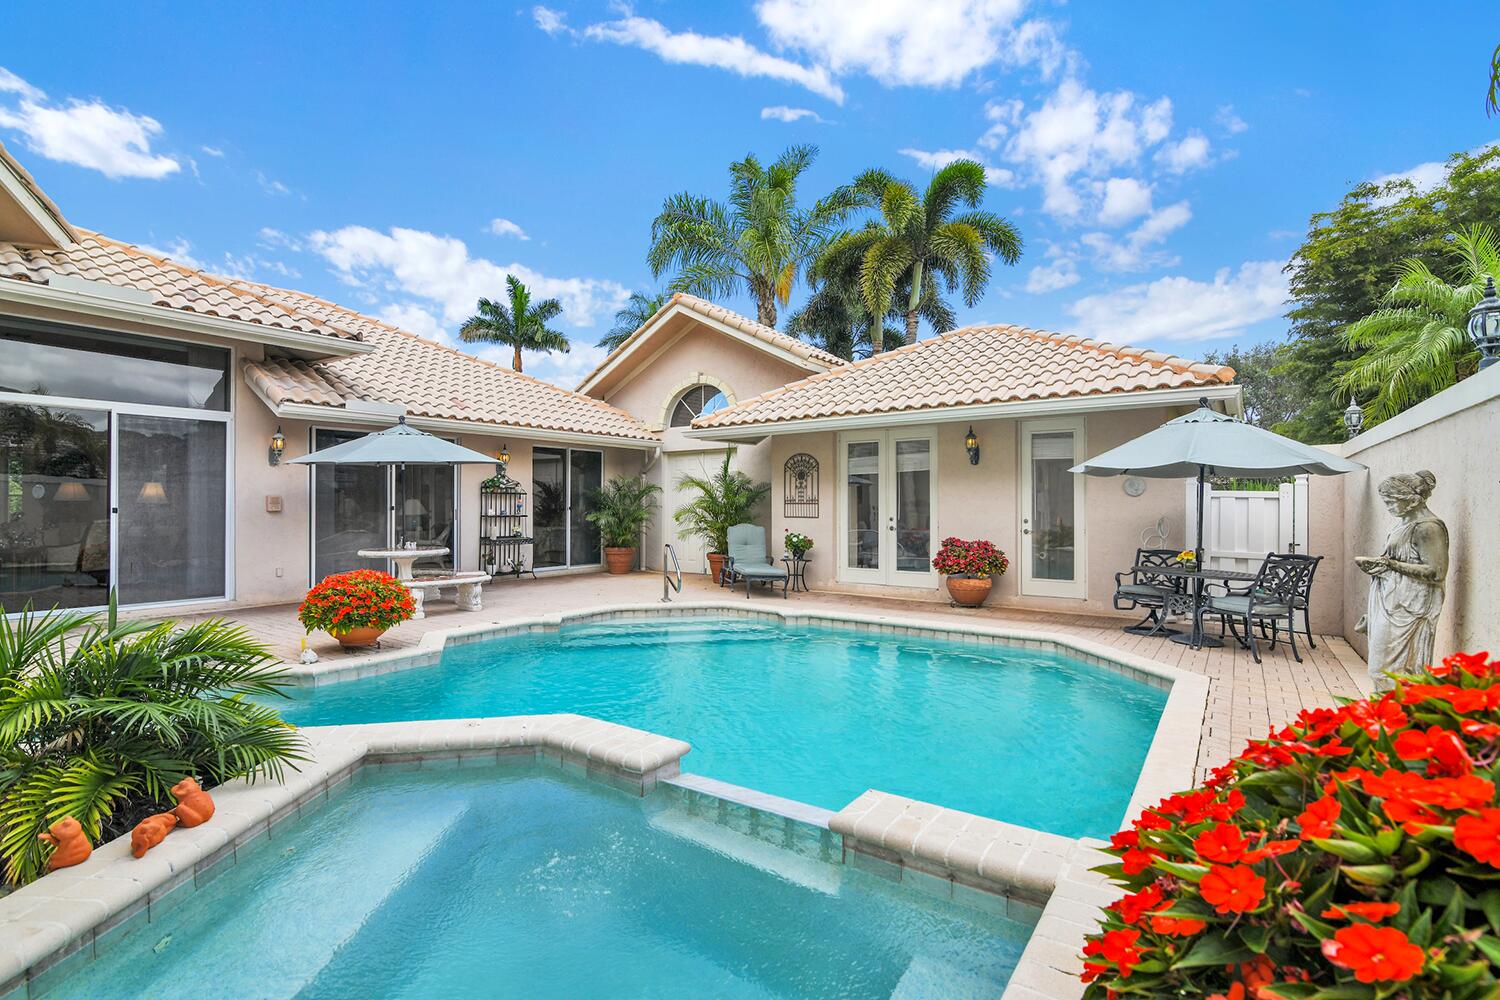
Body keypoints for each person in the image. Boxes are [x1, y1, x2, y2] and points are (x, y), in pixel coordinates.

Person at [1354, 470, 1448, 691]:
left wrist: (1390, 565)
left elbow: (1436, 572)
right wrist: (1382, 565)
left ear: (1413, 499)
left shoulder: (1428, 527)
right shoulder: (1402, 523)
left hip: (1410, 608)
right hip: (1392, 601)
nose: (1388, 506)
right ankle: (1382, 717)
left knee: (1388, 671)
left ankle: (1394, 718)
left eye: (1391, 501)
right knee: (1382, 671)